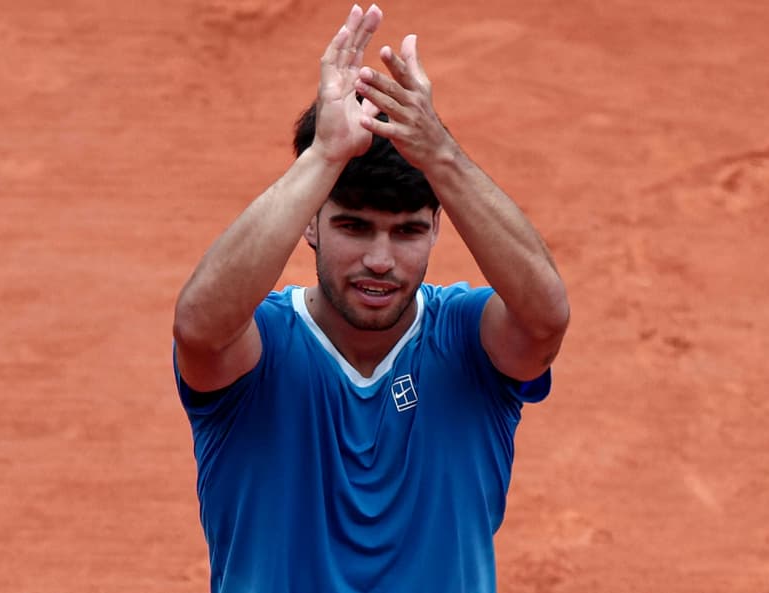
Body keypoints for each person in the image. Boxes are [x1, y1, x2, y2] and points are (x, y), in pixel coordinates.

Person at [172, 4, 570, 592]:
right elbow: (198, 327)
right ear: (308, 222)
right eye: (354, 227)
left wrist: (441, 156)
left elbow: (545, 319)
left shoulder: (467, 340)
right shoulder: (255, 350)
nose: (380, 260)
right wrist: (325, 157)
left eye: (407, 230)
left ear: (437, 227)